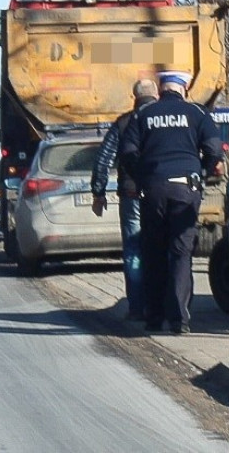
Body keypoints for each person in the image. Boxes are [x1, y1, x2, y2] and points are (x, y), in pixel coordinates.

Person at [119, 70, 224, 334]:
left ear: (161, 89)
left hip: (153, 188)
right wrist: (202, 171)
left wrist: (144, 174)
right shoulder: (197, 114)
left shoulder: (142, 115)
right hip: (185, 189)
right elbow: (214, 149)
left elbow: (128, 152)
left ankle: (154, 317)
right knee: (180, 253)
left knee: (153, 252)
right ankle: (179, 319)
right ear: (184, 88)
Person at [89, 78, 158, 322]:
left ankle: (137, 308)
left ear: (134, 98)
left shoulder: (123, 123)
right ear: (156, 95)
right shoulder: (163, 120)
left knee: (134, 250)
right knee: (161, 248)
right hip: (161, 193)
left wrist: (98, 193)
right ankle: (162, 306)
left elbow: (103, 159)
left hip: (132, 194)